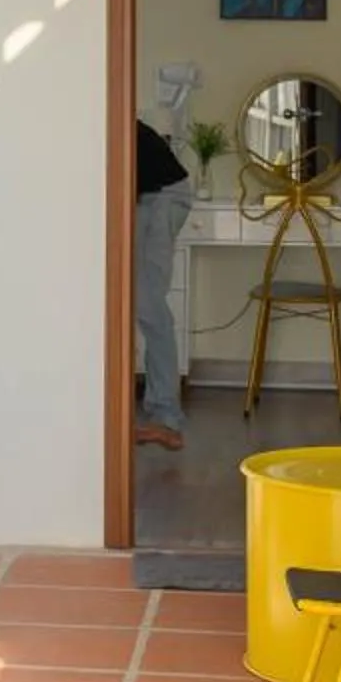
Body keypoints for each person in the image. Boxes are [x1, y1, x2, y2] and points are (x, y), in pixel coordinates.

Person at [135, 117, 194, 449]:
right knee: (144, 304)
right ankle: (160, 412)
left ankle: (165, 417)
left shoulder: (105, 112)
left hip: (161, 196)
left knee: (147, 304)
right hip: (153, 193)